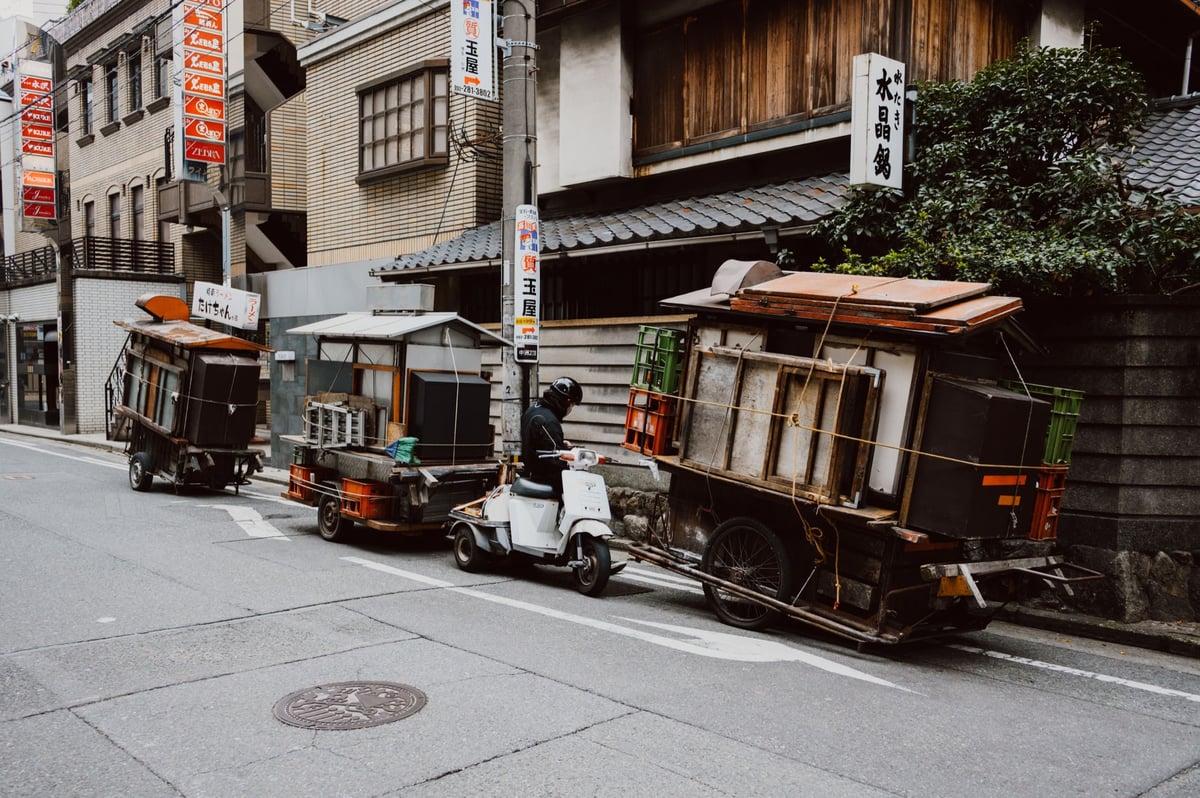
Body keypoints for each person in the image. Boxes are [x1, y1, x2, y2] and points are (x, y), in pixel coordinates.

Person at [520, 376, 583, 493]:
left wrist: (562, 445)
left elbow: (542, 443)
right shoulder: (549, 421)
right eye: (572, 405)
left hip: (530, 471)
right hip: (545, 478)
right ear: (567, 401)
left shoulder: (532, 409)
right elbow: (554, 460)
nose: (570, 409)